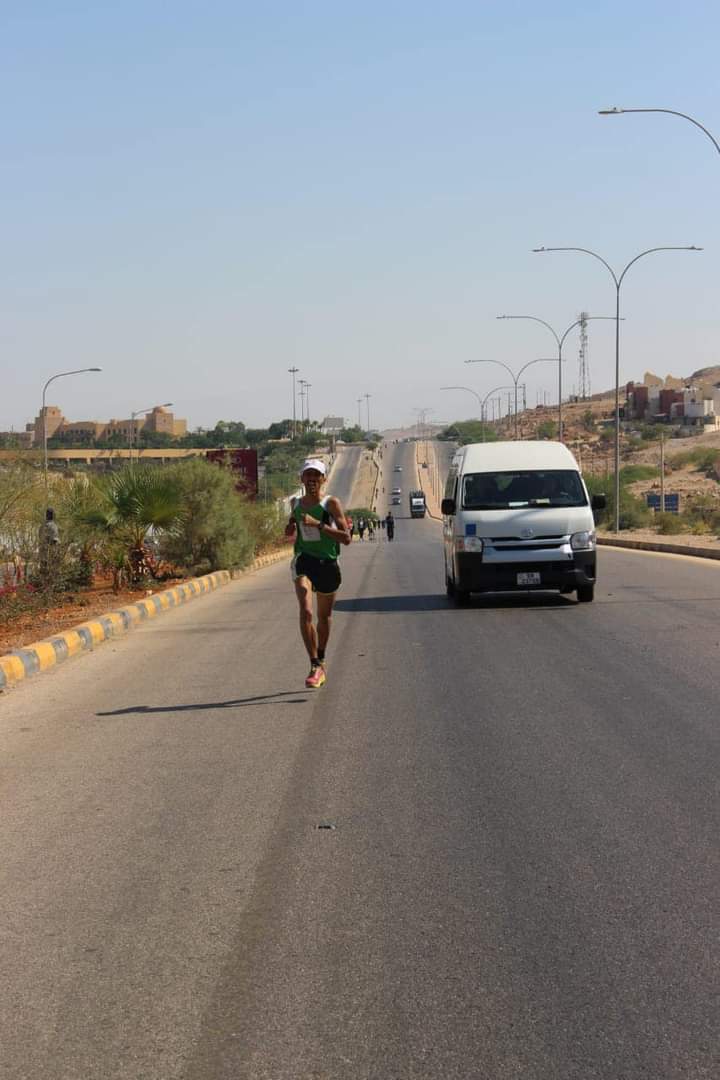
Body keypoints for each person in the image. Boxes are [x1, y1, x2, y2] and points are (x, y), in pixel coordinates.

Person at [285, 459, 351, 689]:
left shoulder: (330, 503)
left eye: (316, 475)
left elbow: (346, 538)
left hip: (327, 563)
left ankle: (321, 659)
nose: (312, 479)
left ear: (323, 479)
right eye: (308, 475)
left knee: (324, 617)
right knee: (305, 610)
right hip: (304, 559)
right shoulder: (295, 503)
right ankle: (314, 664)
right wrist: (290, 527)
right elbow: (292, 524)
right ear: (302, 479)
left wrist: (318, 525)